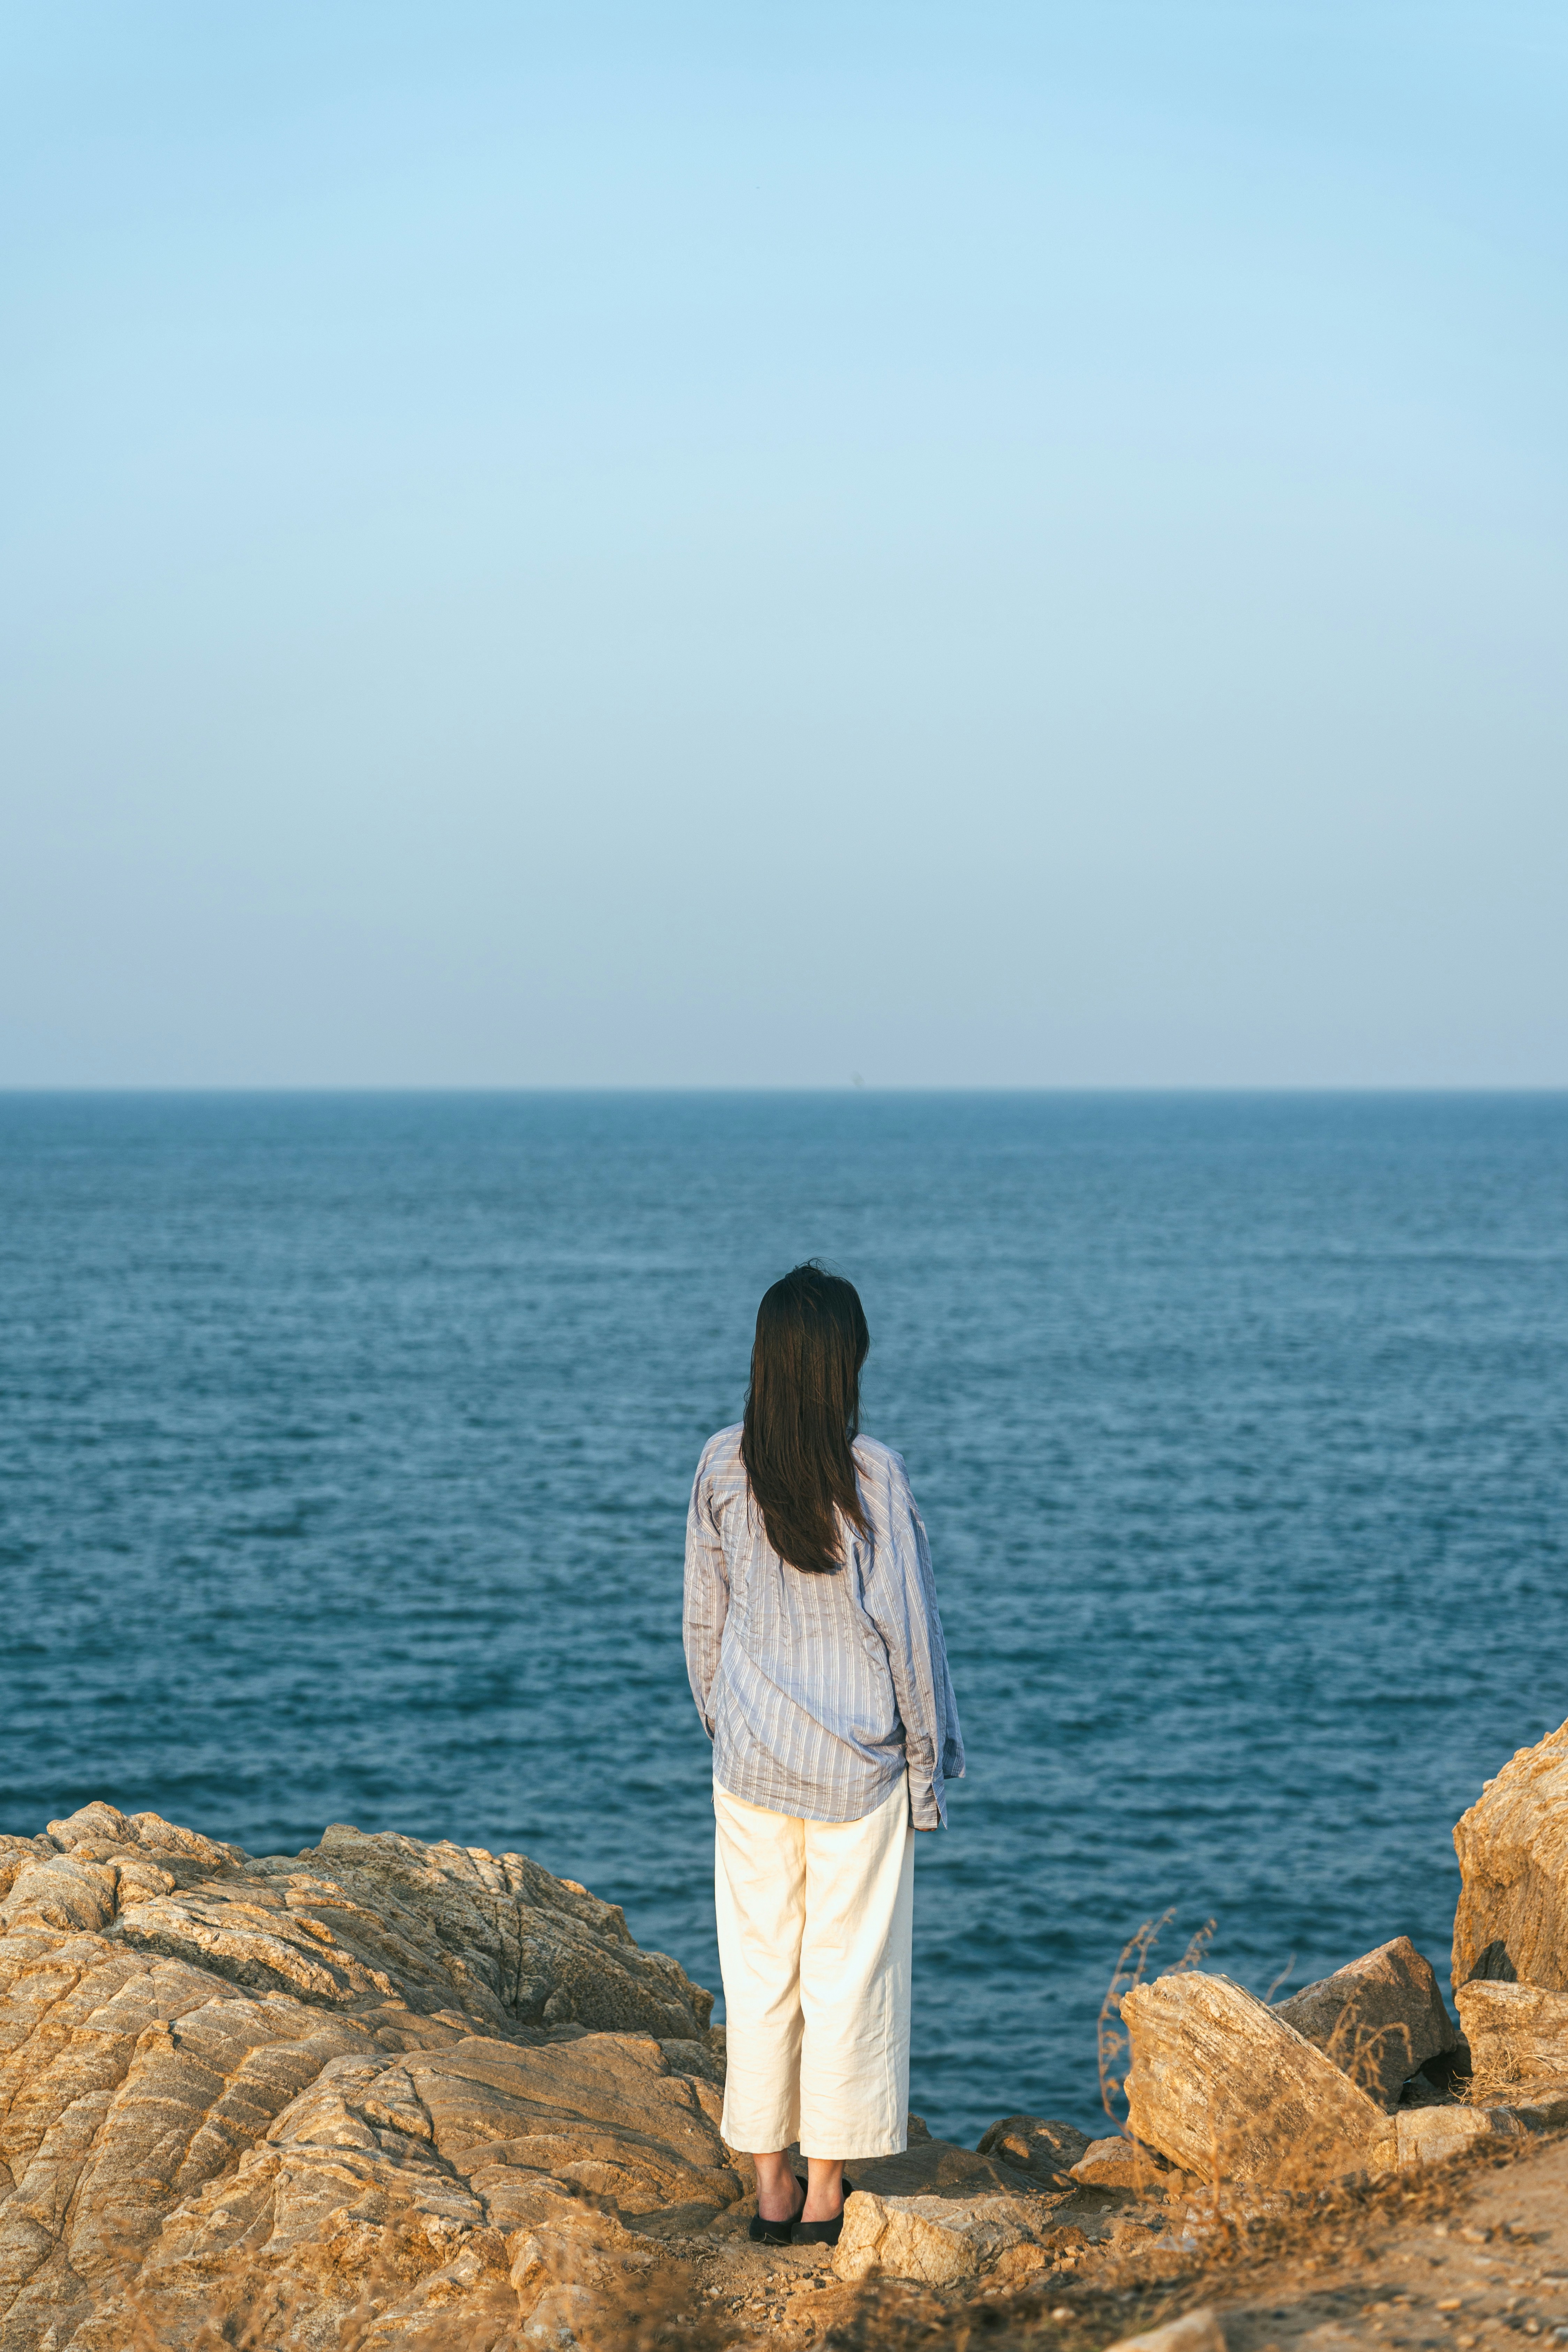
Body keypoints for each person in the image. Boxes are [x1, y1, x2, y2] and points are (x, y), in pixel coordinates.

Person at [683, 1262, 964, 2248]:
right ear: (843, 1364)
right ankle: (823, 2192)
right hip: (858, 1770)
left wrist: (731, 1723)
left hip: (752, 1766)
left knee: (761, 1969)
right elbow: (912, 1642)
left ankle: (768, 2187)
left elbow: (702, 1624)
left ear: (764, 1360)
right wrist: (927, 1772)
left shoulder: (722, 1463)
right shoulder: (872, 1474)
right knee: (848, 1974)